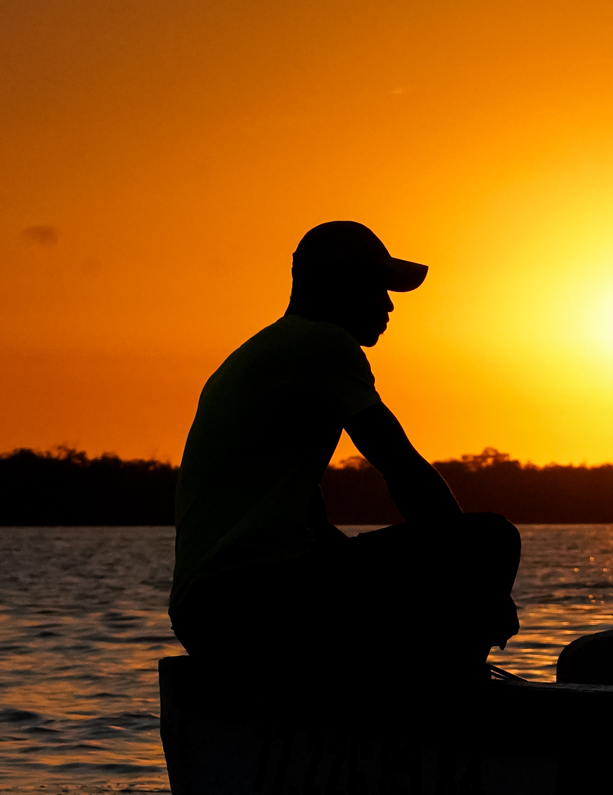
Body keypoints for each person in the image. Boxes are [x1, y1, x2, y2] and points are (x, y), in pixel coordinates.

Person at [168, 220, 519, 673]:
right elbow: (401, 466)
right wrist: (474, 582)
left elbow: (298, 515)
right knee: (489, 540)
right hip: (248, 602)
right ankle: (455, 697)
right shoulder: (323, 343)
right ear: (341, 285)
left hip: (206, 613)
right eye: (378, 287)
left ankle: (414, 679)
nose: (389, 304)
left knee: (386, 576)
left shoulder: (263, 354)